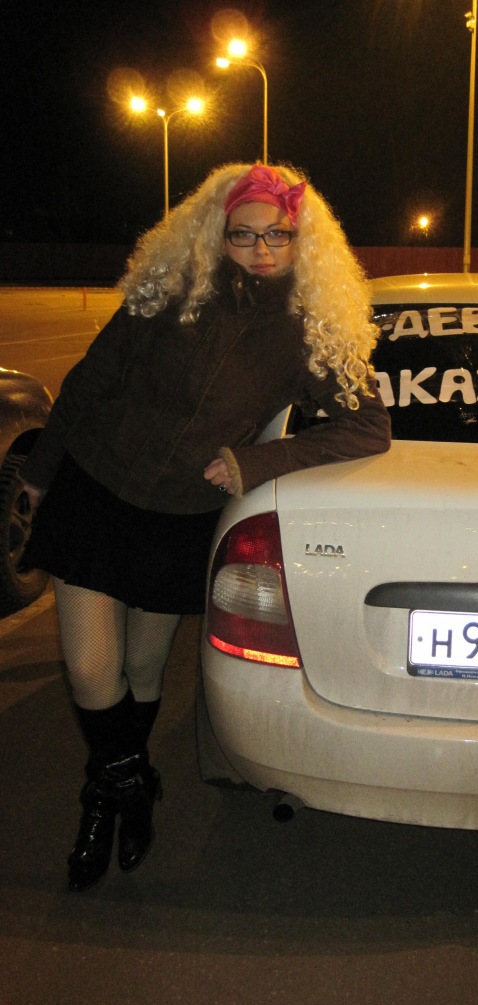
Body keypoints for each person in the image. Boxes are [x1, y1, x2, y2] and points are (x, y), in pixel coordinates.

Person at [21, 162, 391, 892]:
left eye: (276, 235)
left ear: (301, 240)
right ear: (216, 235)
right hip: (96, 488)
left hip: (181, 517)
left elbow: (367, 426)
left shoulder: (308, 332)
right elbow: (90, 383)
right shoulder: (170, 293)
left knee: (142, 670)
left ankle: (114, 787)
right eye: (243, 234)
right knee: (92, 668)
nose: (260, 249)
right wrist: (38, 473)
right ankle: (119, 789)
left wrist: (255, 461)